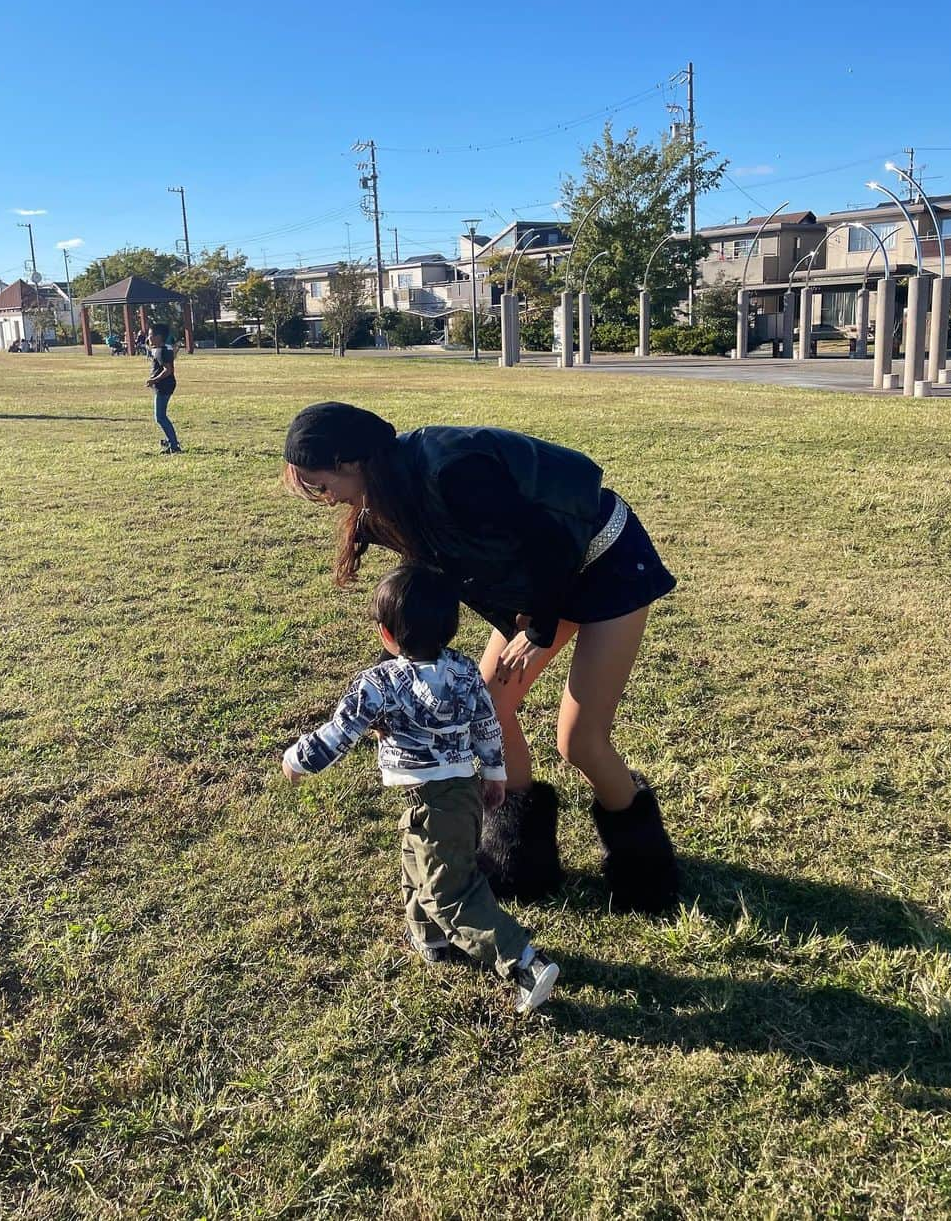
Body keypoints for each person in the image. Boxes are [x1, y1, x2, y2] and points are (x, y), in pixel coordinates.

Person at [283, 402, 679, 910]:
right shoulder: (391, 496)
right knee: (489, 707)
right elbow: (434, 599)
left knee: (579, 740)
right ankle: (520, 860)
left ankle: (645, 869)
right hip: (541, 583)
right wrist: (399, 687)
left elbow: (549, 541)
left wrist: (537, 625)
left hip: (603, 560)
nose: (327, 499)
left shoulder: (451, 471)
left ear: (348, 461)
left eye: (320, 485)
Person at [282, 562, 560, 1013]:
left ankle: (523, 961)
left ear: (386, 635)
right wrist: (493, 776)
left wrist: (298, 759)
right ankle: (429, 937)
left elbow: (341, 731)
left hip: (435, 803)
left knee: (450, 893)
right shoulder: (466, 671)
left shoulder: (380, 682)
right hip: (461, 791)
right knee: (417, 864)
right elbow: (488, 725)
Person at [146, 322, 182, 454]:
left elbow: (168, 370)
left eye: (151, 335)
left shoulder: (161, 351)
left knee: (160, 417)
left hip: (164, 386)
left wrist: (153, 380)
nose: (149, 338)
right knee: (161, 416)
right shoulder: (165, 349)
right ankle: (170, 440)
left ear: (159, 337)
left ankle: (174, 445)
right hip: (166, 385)